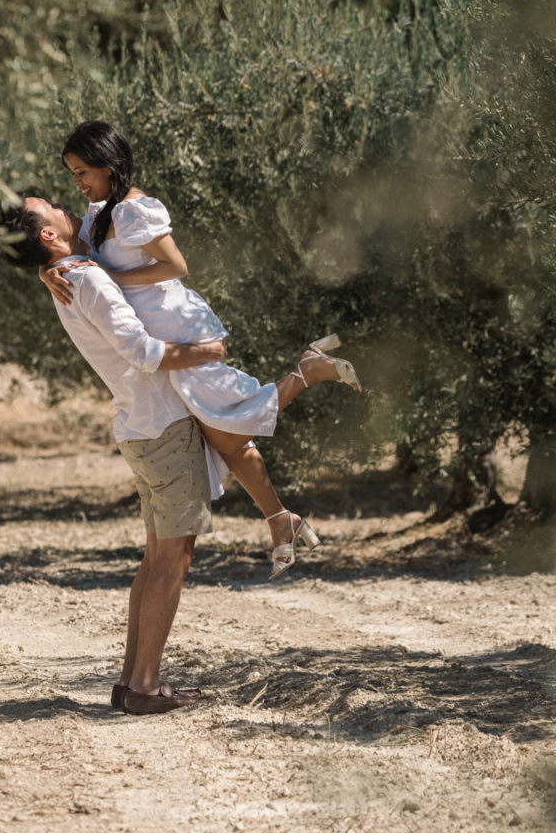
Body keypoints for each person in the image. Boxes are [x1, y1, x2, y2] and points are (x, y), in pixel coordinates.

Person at [1, 192, 358, 716]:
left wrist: (40, 270)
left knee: (155, 560)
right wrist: (208, 351)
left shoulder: (73, 274)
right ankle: (143, 687)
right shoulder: (89, 279)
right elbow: (144, 353)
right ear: (48, 236)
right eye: (49, 204)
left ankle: (131, 683)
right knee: (172, 559)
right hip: (162, 430)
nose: (61, 201)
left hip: (144, 427)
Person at [37, 120, 361, 576]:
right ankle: (280, 519)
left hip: (183, 332)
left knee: (225, 432)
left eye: (81, 171)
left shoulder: (133, 211)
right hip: (163, 342)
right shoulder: (98, 213)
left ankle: (308, 371)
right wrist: (44, 271)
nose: (76, 182)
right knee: (221, 434)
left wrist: (114, 281)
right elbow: (76, 258)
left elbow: (176, 265)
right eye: (72, 173)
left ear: (108, 166)